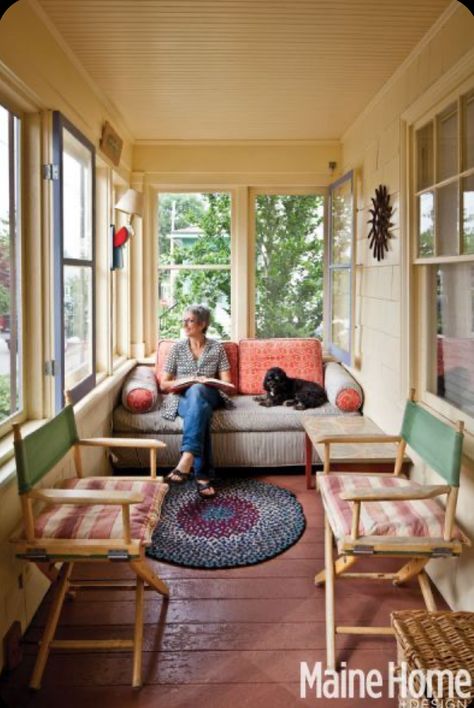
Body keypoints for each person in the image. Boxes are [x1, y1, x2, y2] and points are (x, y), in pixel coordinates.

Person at [160, 305, 233, 498]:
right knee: (201, 410)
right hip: (183, 398)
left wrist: (208, 382)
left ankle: (186, 459)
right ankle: (202, 477)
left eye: (190, 320)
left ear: (203, 324)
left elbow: (227, 383)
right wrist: (184, 382)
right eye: (183, 320)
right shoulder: (176, 348)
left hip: (210, 393)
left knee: (199, 390)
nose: (184, 324)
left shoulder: (217, 348)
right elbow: (164, 384)